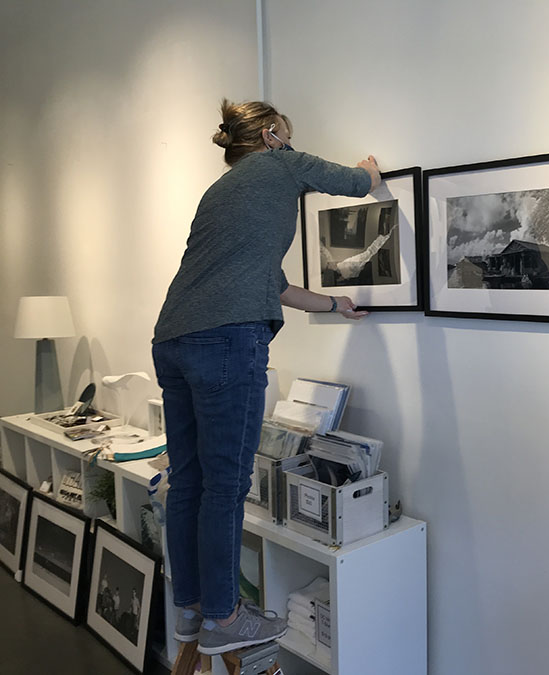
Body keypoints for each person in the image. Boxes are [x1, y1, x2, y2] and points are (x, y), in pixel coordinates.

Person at [151, 99, 381, 656]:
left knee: (188, 480)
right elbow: (356, 183)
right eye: (287, 134)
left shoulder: (219, 193)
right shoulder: (281, 162)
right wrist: (371, 169)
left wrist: (334, 304)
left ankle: (192, 610)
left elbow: (275, 287)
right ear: (272, 134)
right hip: (225, 341)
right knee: (226, 486)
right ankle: (225, 618)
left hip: (173, 338)